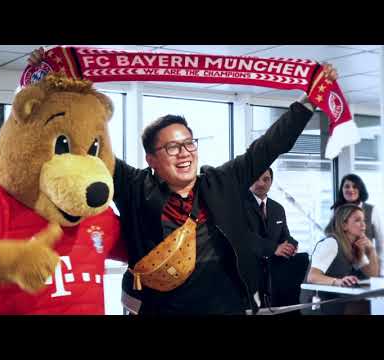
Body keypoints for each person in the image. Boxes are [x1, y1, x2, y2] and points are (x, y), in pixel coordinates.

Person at [28, 49, 337, 314]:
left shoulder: (222, 181)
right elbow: (85, 141)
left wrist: (309, 101)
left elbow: (270, 145)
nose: (184, 153)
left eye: (189, 143)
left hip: (227, 308)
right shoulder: (135, 188)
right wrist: (49, 84)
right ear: (151, 159)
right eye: (172, 147)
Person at [245, 168, 309, 309]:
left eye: (266, 179)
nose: (261, 183)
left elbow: (284, 235)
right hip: (247, 275)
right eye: (256, 178)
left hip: (273, 275)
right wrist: (274, 248)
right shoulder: (238, 206)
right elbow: (244, 236)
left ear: (271, 182)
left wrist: (291, 245)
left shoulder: (277, 208)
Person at [300, 204, 379, 315]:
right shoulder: (331, 243)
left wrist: (371, 250)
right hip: (317, 304)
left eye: (364, 220)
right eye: (357, 220)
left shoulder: (354, 246)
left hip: (336, 298)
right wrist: (338, 281)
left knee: (368, 305)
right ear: (344, 225)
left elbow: (373, 274)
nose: (363, 225)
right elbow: (312, 277)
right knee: (364, 307)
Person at [331, 173, 383, 275]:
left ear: (360, 189)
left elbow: (381, 242)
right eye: (347, 186)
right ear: (342, 190)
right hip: (343, 265)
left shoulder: (372, 210)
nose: (350, 190)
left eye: (355, 186)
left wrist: (381, 272)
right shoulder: (336, 211)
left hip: (367, 265)